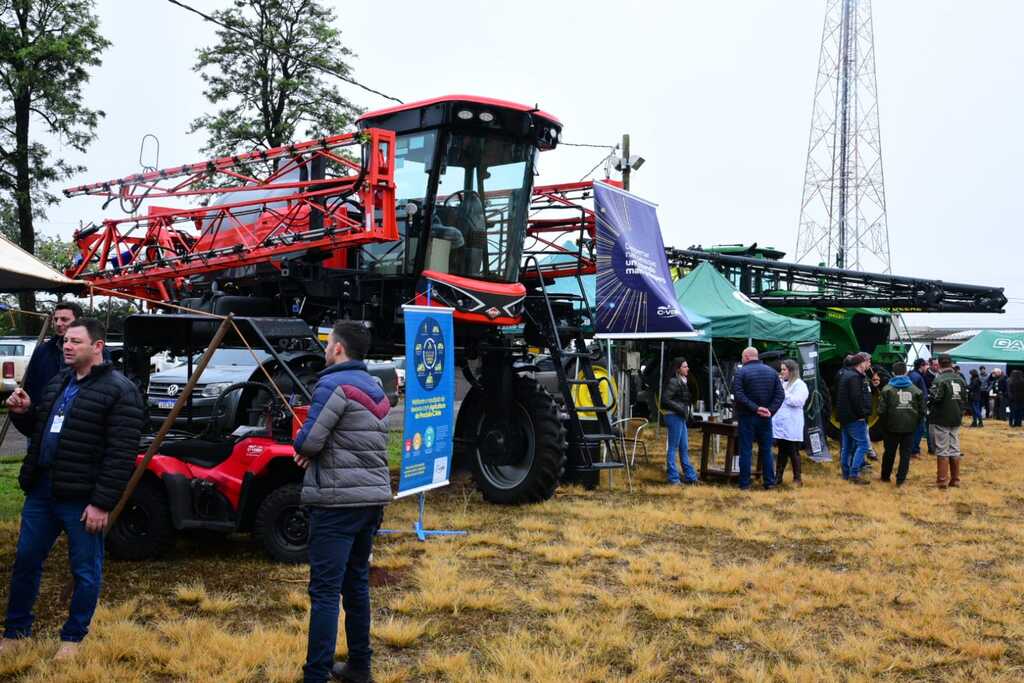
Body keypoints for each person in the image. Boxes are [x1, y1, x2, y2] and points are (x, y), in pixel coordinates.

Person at [0, 319, 143, 659]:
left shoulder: (120, 391)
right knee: (26, 561)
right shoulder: (59, 382)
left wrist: (102, 503)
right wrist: (23, 412)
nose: (66, 345)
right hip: (43, 490)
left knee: (85, 569)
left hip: (82, 498)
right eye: (65, 340)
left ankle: (73, 639)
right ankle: (16, 633)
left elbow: (121, 454)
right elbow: (38, 429)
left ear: (97, 346)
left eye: (75, 341)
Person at [293, 321, 391, 683]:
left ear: (338, 349)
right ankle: (360, 667)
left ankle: (315, 675)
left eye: (328, 342)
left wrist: (304, 448)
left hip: (336, 505)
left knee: (324, 592)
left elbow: (308, 442)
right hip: (371, 502)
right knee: (356, 585)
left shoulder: (332, 384)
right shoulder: (377, 387)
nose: (325, 348)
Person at [732, 347, 784, 491]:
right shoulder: (772, 372)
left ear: (747, 357)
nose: (742, 359)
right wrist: (769, 410)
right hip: (766, 418)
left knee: (746, 450)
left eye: (742, 357)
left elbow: (739, 395)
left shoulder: (741, 372)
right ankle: (769, 482)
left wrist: (755, 408)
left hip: (747, 417)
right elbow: (780, 395)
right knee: (766, 450)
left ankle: (745, 483)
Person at [878, 362, 923, 486]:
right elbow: (922, 411)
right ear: (906, 372)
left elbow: (881, 411)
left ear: (893, 373)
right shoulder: (916, 390)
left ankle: (885, 476)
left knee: (889, 453)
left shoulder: (887, 389)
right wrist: (915, 423)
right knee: (905, 454)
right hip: (909, 428)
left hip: (890, 427)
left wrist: (885, 425)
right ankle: (901, 479)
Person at [928, 354, 968, 489]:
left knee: (942, 449)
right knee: (955, 448)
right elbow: (965, 399)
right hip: (956, 417)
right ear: (951, 364)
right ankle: (955, 480)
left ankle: (942, 480)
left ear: (939, 364)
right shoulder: (960, 379)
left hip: (942, 417)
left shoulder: (939, 380)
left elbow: (936, 398)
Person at [661, 358, 699, 485]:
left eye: (687, 366)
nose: (687, 368)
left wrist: (687, 412)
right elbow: (665, 400)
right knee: (673, 447)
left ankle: (690, 476)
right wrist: (681, 409)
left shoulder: (683, 381)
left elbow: (683, 400)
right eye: (684, 366)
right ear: (678, 369)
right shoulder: (674, 381)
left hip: (680, 416)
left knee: (684, 447)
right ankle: (673, 478)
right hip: (673, 416)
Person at [837, 352, 873, 485]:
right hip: (854, 418)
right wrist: (861, 415)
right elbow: (856, 399)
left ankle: (846, 473)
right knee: (863, 446)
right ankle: (853, 474)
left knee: (847, 447)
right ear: (861, 363)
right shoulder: (855, 378)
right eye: (868, 362)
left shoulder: (846, 375)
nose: (869, 365)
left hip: (845, 417)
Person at [772, 359, 808, 486]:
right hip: (782, 424)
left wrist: (784, 393)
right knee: (781, 451)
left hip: (792, 424)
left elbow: (797, 401)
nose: (782, 372)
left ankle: (797, 479)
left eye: (784, 369)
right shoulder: (783, 384)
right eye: (781, 369)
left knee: (793, 451)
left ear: (791, 371)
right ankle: (778, 477)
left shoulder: (800, 385)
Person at [908, 358, 929, 458]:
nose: (927, 367)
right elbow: (920, 395)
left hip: (912, 408)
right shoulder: (917, 377)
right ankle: (914, 451)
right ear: (921, 366)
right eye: (926, 365)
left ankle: (912, 449)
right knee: (919, 429)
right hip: (917, 408)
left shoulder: (912, 375)